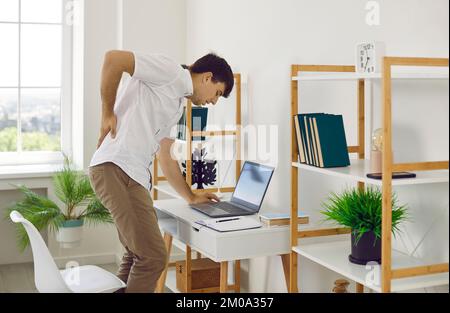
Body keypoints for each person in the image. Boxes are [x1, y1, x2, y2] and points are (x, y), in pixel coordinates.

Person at [88, 51, 234, 293]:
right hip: (116, 168)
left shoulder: (177, 105)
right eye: (218, 93)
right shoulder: (171, 71)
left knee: (136, 254)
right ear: (207, 77)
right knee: (153, 257)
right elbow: (114, 59)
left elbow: (165, 156)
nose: (214, 101)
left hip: (129, 175)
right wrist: (106, 113)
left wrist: (191, 197)